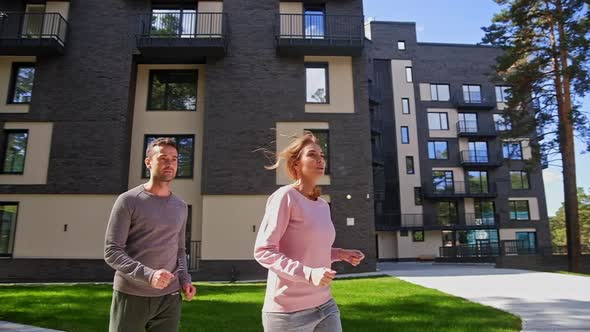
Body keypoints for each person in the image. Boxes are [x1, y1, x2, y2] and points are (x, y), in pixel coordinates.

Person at [254, 132, 365, 332]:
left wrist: (339, 253)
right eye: (312, 154)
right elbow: (264, 251)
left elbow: (308, 249)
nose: (320, 159)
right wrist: (308, 273)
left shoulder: (322, 205)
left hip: (325, 304)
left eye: (321, 155)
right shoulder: (285, 197)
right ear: (296, 164)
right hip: (288, 313)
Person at [104, 137, 196, 332]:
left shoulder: (180, 206)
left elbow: (180, 249)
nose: (170, 163)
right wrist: (149, 275)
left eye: (174, 159)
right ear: (148, 162)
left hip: (169, 298)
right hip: (131, 295)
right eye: (163, 158)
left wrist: (185, 279)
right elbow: (112, 251)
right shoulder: (128, 200)